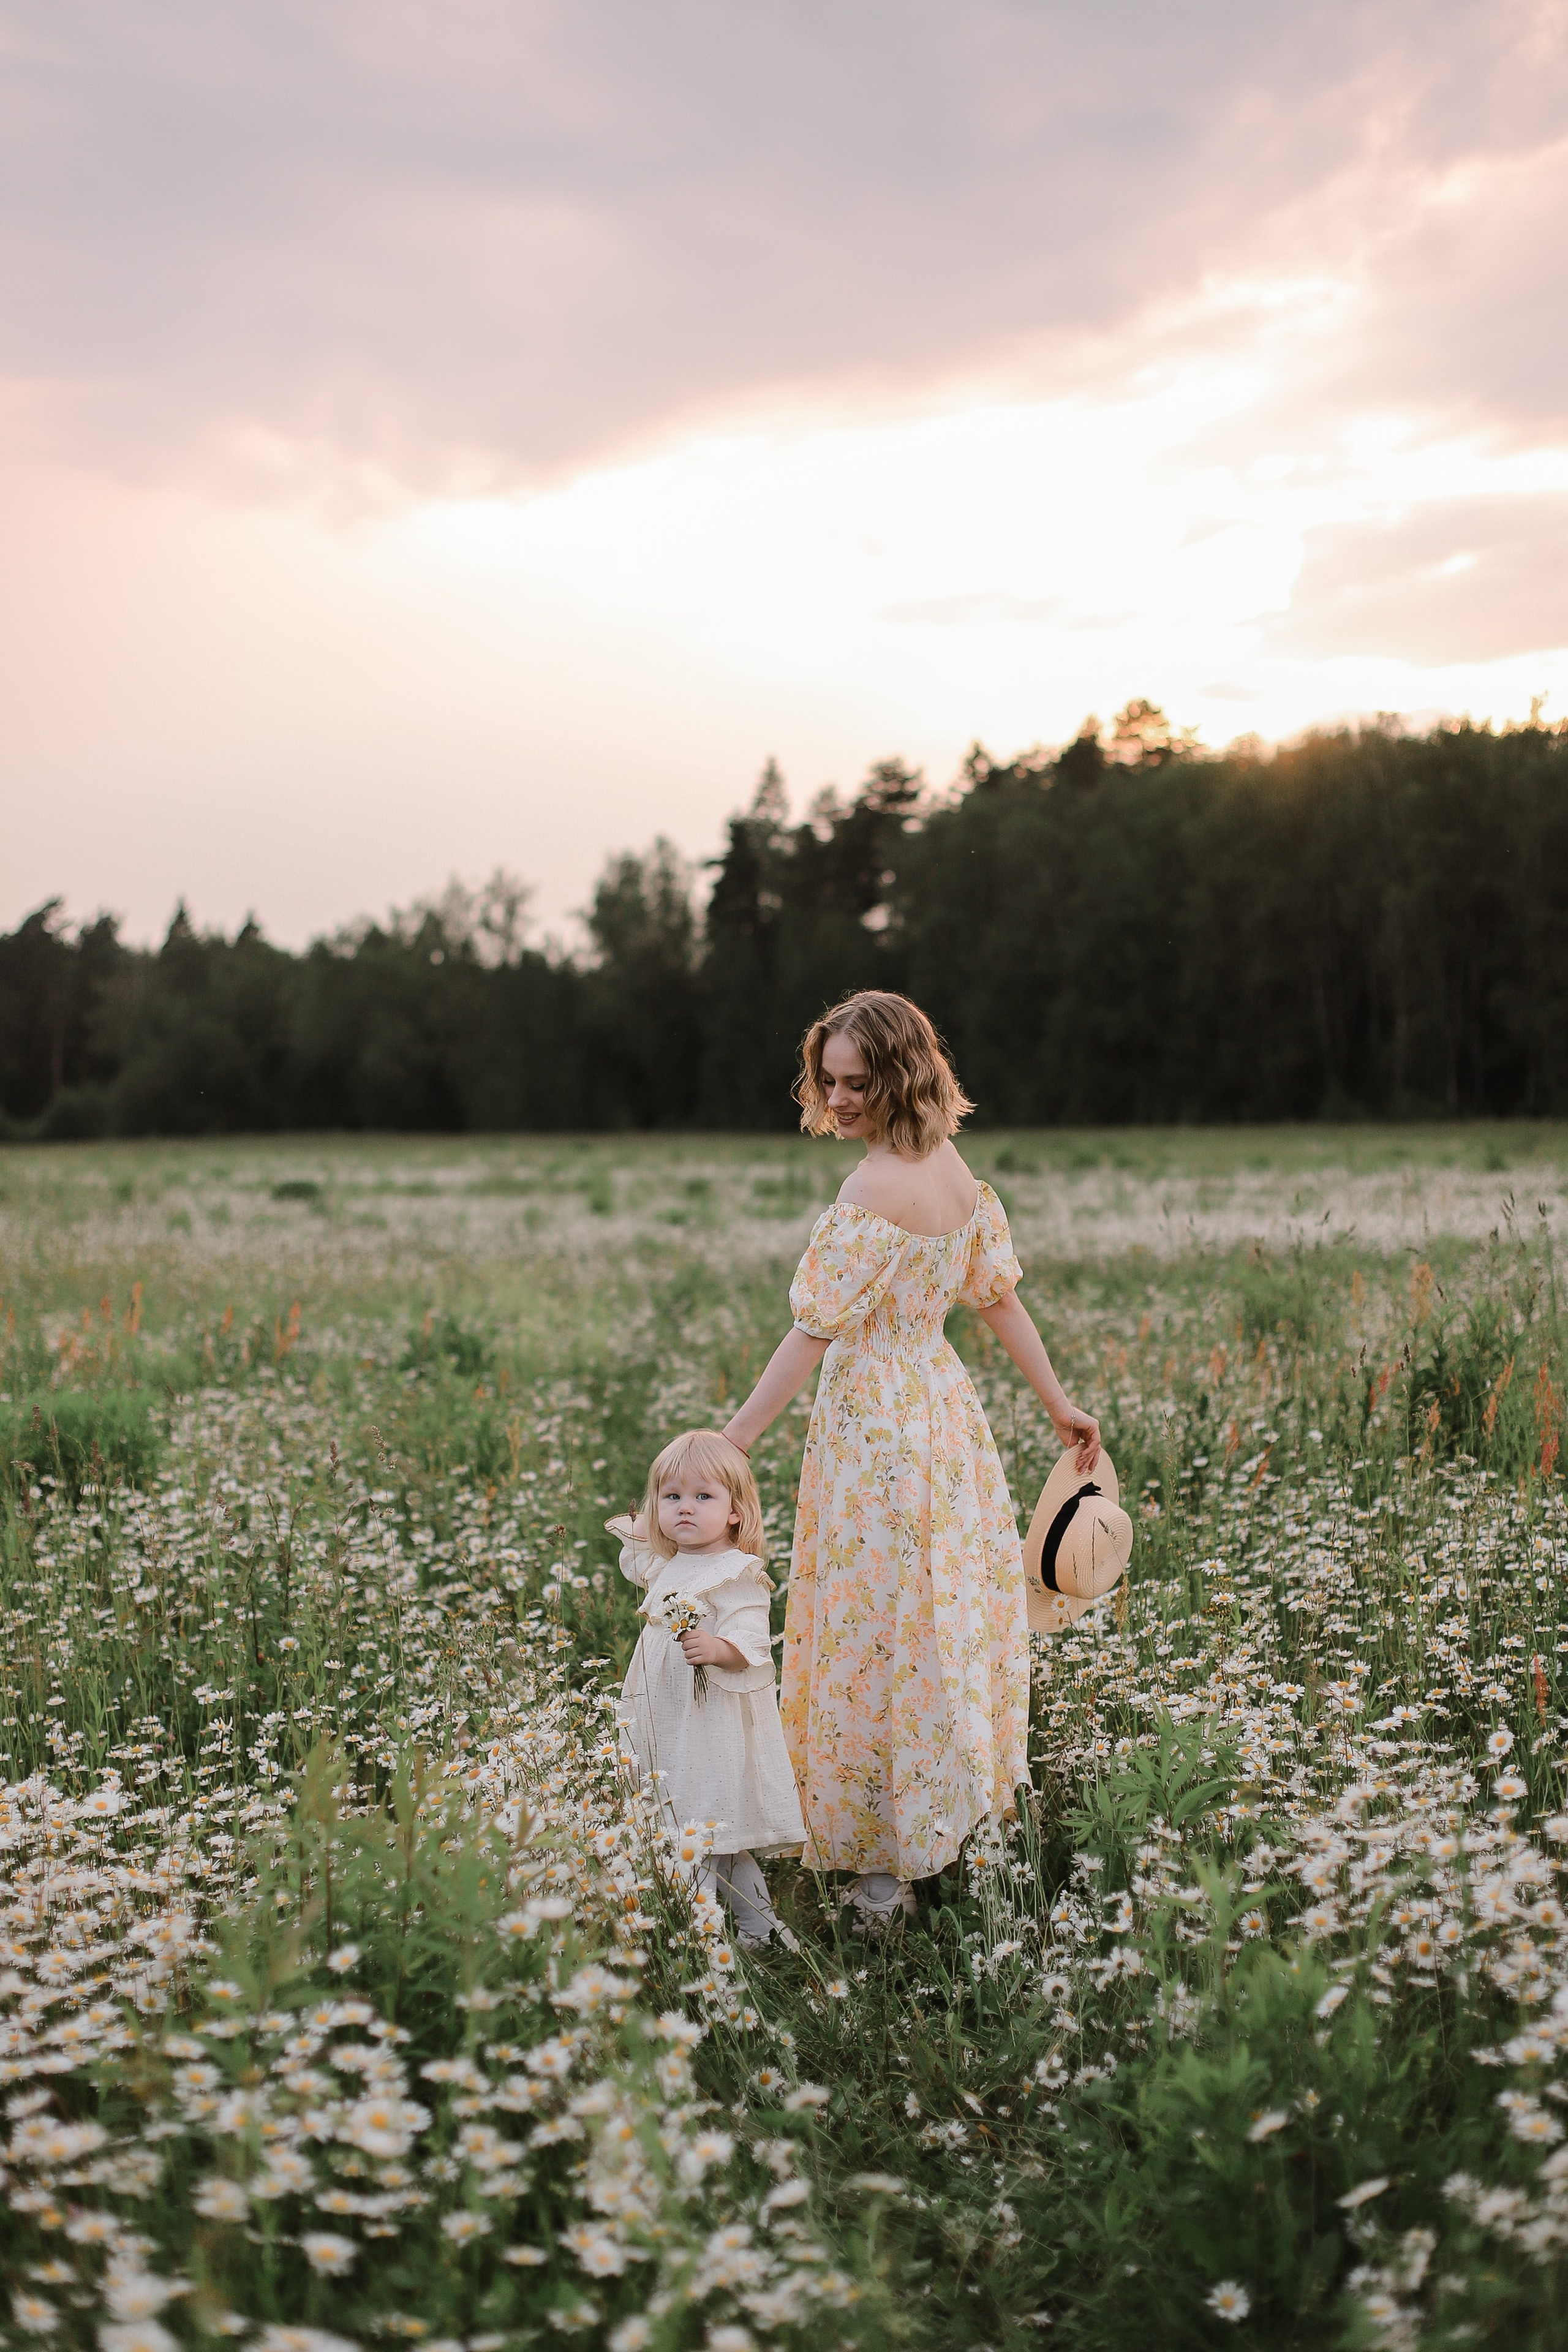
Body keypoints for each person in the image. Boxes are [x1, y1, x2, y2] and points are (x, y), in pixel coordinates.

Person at [722, 990, 1099, 1930]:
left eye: (857, 1082)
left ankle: (881, 1869)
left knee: (871, 1626)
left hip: (875, 1431)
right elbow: (997, 1299)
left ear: (900, 1076)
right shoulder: (953, 1170)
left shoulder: (872, 1189)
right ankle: (936, 1818)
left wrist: (732, 1441)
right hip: (940, 1408)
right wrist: (1059, 1407)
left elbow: (812, 1331)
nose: (839, 1100)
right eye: (829, 1080)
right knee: (935, 1615)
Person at [609, 1428, 805, 1948]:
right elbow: (641, 1549)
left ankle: (697, 1935)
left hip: (711, 1714)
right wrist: (651, 1519)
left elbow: (751, 1635)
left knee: (698, 1820)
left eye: (703, 1497)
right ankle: (761, 1928)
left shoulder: (736, 1571)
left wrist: (720, 1648)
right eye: (671, 1497)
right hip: (668, 1710)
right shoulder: (668, 1561)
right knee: (702, 1822)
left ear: (736, 1511)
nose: (685, 1509)